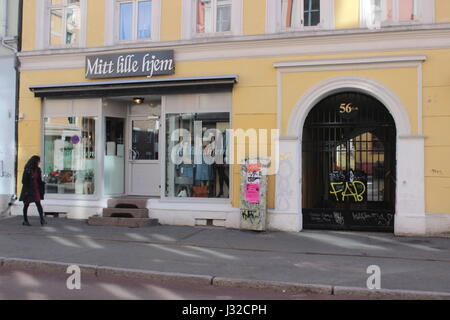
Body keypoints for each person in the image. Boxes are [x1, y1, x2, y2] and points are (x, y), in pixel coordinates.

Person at [19, 155, 46, 226]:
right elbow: (23, 181)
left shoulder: (38, 169)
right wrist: (28, 188)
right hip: (28, 190)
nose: (39, 162)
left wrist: (42, 184)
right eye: (38, 161)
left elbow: (39, 180)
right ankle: (25, 220)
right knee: (26, 205)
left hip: (35, 189)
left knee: (38, 204)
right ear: (35, 161)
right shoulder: (27, 169)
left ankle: (42, 219)